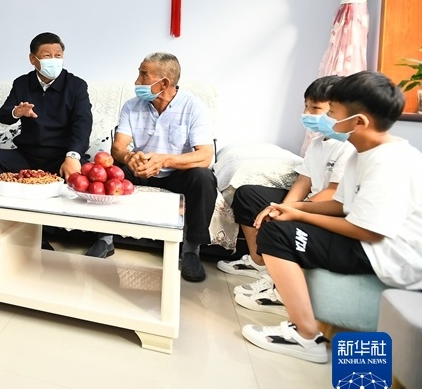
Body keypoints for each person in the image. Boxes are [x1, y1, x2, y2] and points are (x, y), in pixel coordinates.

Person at [240, 71, 422, 363]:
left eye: (332, 113)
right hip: (370, 241)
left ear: (359, 121)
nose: (327, 120)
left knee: (278, 233)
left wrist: (299, 217)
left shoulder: (390, 161)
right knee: (280, 220)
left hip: (389, 254)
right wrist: (293, 209)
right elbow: (340, 205)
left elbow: (369, 231)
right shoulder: (362, 152)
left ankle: (305, 336)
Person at [217, 76, 354, 306]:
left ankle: (279, 282)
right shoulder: (318, 143)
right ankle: (258, 262)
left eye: (316, 108)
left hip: (327, 206)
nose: (307, 113)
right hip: (311, 200)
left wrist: (292, 211)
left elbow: (333, 194)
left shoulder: (347, 147)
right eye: (306, 106)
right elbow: (303, 181)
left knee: (280, 222)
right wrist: (283, 207)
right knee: (247, 195)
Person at [94, 52, 216, 275]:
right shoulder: (132, 106)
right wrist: (129, 158)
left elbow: (206, 155)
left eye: (143, 75)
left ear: (165, 83)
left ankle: (191, 249)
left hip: (176, 173)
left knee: (203, 177)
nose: (136, 81)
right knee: (110, 170)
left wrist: (165, 160)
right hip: (140, 168)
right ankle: (105, 238)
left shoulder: (193, 107)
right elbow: (118, 147)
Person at [0, 32, 92, 178]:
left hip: (62, 157)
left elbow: (83, 124)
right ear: (32, 58)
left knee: (86, 173)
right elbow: (3, 116)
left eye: (58, 55)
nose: (54, 60)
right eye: (47, 56)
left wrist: (73, 156)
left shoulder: (76, 85)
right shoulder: (22, 83)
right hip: (27, 156)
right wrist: (16, 112)